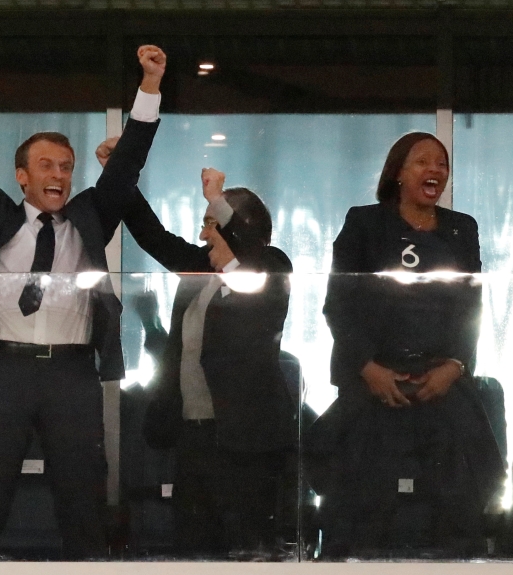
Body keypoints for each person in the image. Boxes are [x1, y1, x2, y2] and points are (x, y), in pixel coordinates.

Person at [0, 36, 163, 559]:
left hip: (71, 375)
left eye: (66, 167)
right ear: (22, 176)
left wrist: (149, 87)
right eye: (47, 166)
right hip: (5, 370)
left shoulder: (89, 217)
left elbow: (127, 166)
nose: (59, 175)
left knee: (81, 494)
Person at [312, 132, 505, 558]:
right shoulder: (365, 224)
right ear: (399, 172)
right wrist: (367, 367)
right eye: (423, 162)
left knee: (464, 493)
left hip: (442, 380)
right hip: (377, 379)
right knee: (358, 505)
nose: (435, 170)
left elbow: (471, 306)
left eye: (442, 164)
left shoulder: (461, 229)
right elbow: (338, 305)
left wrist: (455, 366)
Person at [98, 141, 295, 557]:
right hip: (193, 433)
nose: (203, 232)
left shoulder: (272, 267)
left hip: (245, 436)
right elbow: (153, 237)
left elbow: (251, 288)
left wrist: (219, 204)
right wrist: (121, 175)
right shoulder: (200, 269)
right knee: (193, 543)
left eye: (211, 222)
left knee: (246, 545)